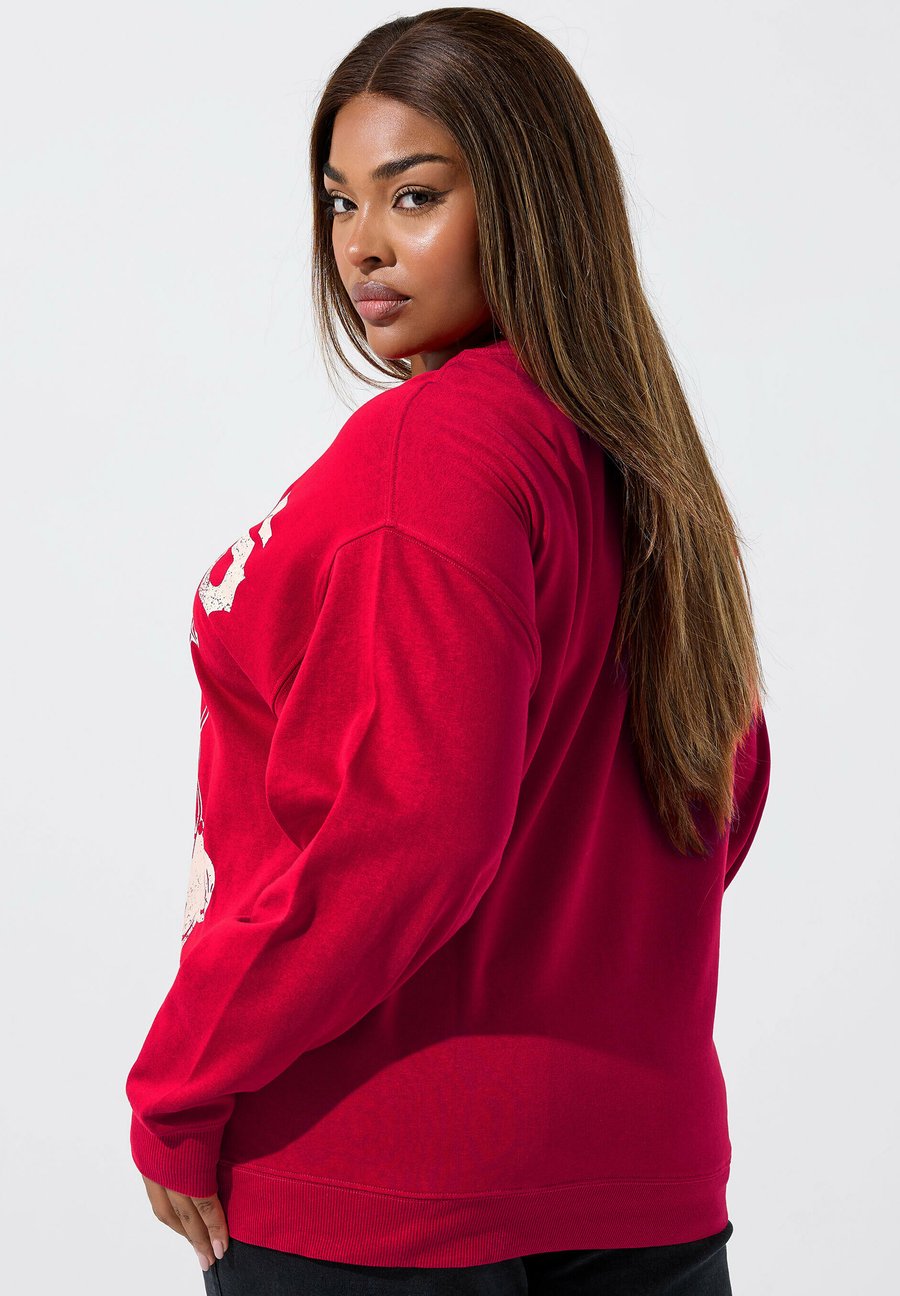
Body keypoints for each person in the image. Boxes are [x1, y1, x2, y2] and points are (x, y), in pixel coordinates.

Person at [125, 9, 771, 1294]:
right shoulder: (640, 462)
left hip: (380, 1179)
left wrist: (181, 1083)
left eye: (414, 195)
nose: (362, 244)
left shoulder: (432, 448)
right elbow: (720, 791)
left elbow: (411, 830)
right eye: (340, 202)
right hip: (644, 1174)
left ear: (529, 202)